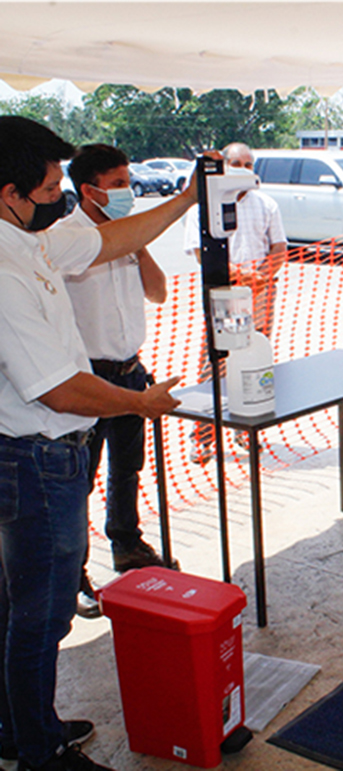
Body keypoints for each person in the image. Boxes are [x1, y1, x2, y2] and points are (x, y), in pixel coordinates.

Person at [0, 115, 191, 771]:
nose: (62, 196)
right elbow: (57, 388)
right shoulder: (5, 267)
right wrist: (141, 401)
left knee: (23, 608)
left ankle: (24, 725)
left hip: (44, 454)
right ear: (11, 194)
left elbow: (116, 240)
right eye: (53, 185)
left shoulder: (32, 245)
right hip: (34, 458)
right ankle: (36, 750)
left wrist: (190, 198)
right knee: (41, 614)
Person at [57, 145, 173, 620]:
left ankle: (126, 543)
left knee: (127, 467)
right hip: (88, 377)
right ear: (90, 189)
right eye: (119, 183)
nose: (129, 191)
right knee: (78, 482)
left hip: (132, 372)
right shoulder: (64, 238)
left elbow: (159, 290)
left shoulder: (129, 236)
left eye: (128, 180)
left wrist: (135, 242)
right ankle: (74, 575)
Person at [183, 142, 287, 463]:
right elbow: (202, 254)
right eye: (237, 162)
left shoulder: (266, 204)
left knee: (254, 360)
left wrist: (260, 277)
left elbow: (280, 247)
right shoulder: (204, 205)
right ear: (225, 166)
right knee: (216, 363)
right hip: (226, 299)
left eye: (249, 163)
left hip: (260, 296)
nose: (244, 168)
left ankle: (246, 427)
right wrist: (240, 276)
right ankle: (203, 436)